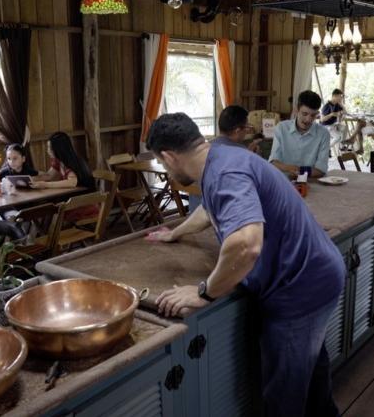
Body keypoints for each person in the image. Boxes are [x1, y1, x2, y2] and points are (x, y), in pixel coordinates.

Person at [146, 113, 345, 417]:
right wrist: (175, 232)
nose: (166, 170)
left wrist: (204, 292)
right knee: (310, 375)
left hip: (300, 287)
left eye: (162, 164)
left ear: (169, 157)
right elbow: (211, 209)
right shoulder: (221, 158)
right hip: (317, 272)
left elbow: (247, 244)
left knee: (283, 395)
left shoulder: (224, 173)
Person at [32, 132, 98, 221]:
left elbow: (72, 182)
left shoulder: (72, 162)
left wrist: (45, 185)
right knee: (45, 207)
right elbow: (49, 176)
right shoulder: (59, 161)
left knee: (49, 209)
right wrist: (29, 179)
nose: (47, 150)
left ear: (58, 149)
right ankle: (45, 232)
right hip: (71, 199)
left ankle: (49, 233)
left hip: (83, 203)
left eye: (50, 148)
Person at [269, 90, 330, 178]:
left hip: (310, 183)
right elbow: (273, 162)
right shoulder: (282, 128)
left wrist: (299, 171)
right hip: (283, 182)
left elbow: (321, 170)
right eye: (304, 114)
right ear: (296, 110)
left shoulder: (323, 134)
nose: (308, 119)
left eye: (313, 115)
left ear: (317, 114)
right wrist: (288, 168)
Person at [346, 89, 374, 155]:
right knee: (359, 124)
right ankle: (355, 143)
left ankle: (354, 141)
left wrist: (373, 123)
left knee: (359, 125)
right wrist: (372, 121)